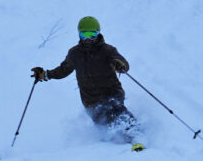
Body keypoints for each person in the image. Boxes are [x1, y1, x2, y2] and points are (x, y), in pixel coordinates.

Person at [31, 16, 143, 149]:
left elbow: (123, 63)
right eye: (85, 35)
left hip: (111, 91)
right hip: (90, 99)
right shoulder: (74, 54)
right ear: (79, 34)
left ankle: (136, 135)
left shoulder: (108, 50)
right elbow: (63, 70)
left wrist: (120, 65)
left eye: (92, 34)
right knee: (102, 121)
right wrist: (45, 75)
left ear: (98, 33)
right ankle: (114, 144)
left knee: (115, 110)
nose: (88, 39)